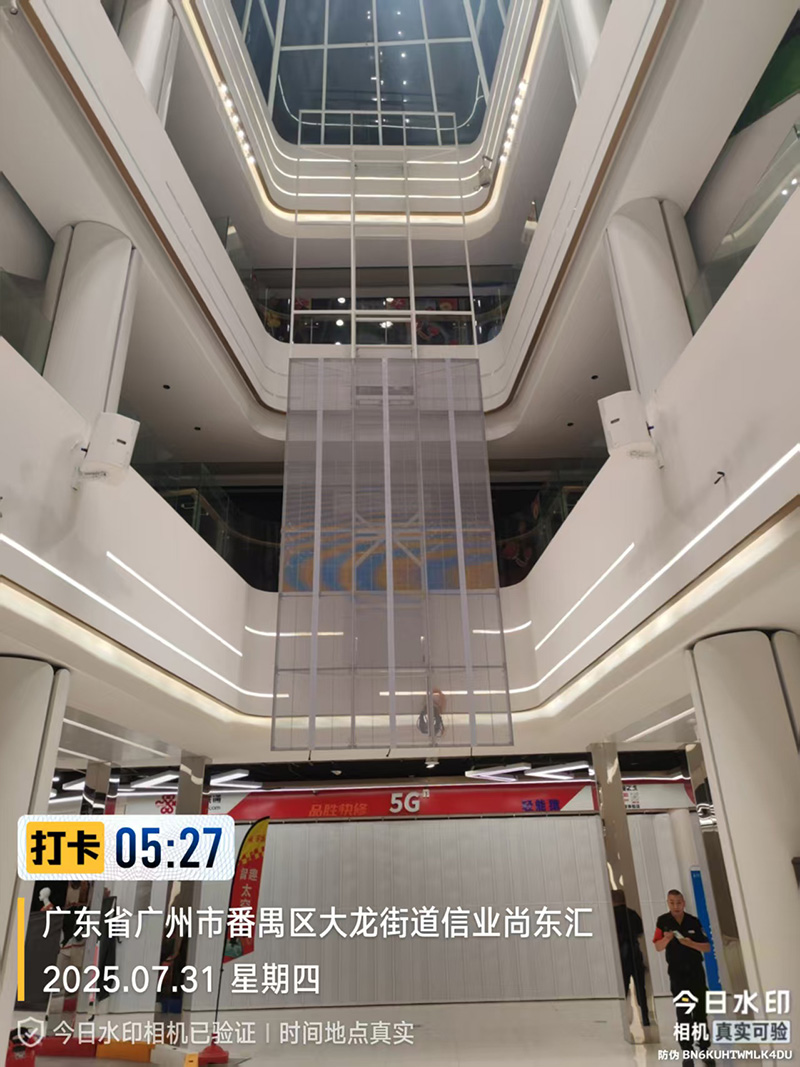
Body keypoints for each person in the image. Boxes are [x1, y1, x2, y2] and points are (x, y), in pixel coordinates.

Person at [654, 889, 712, 1064]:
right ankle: (687, 1051)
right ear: (667, 903)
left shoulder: (693, 921)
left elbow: (707, 947)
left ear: (684, 903)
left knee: (700, 1012)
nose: (675, 906)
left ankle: (704, 1049)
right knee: (684, 1013)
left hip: (695, 972)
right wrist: (667, 939)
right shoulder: (663, 921)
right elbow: (658, 947)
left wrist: (691, 944)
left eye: (678, 902)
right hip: (678, 974)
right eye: (672, 902)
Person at [611, 889, 651, 1027]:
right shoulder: (632, 914)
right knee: (641, 988)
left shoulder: (611, 915)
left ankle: (623, 1017)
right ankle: (645, 1017)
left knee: (623, 989)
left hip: (621, 956)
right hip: (635, 953)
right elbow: (640, 931)